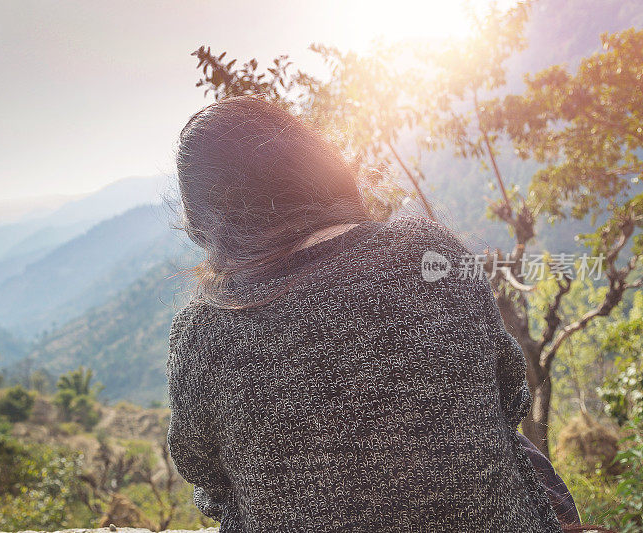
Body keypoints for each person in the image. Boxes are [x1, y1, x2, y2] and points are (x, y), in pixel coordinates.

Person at [167, 95, 576, 532]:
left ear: (207, 220)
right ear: (314, 164)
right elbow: (509, 396)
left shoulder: (203, 332)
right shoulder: (427, 252)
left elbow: (206, 475)